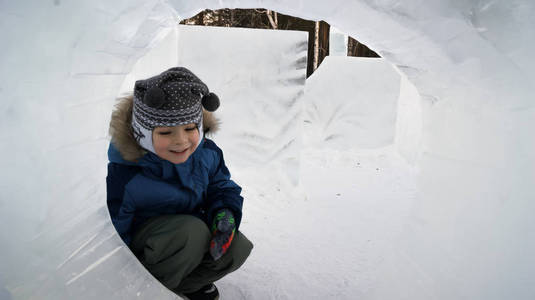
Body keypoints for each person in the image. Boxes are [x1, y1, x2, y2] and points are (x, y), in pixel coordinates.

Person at [106, 67, 253, 300]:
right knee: (190, 234)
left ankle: (187, 284)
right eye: (166, 133)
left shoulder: (207, 154)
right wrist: (116, 279)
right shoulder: (128, 172)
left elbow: (221, 186)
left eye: (189, 128)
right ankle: (148, 291)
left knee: (237, 247)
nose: (181, 141)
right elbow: (114, 228)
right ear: (144, 134)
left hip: (188, 239)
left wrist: (224, 213)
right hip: (151, 246)